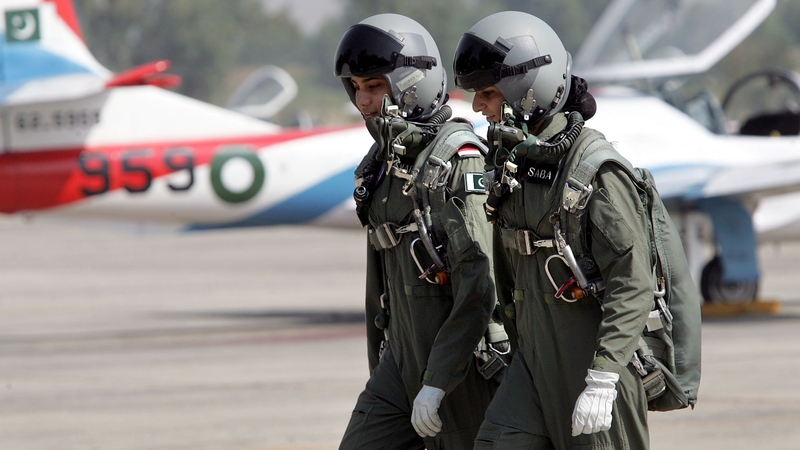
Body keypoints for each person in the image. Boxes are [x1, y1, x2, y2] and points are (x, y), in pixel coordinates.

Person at [453, 11, 653, 450]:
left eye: (487, 92)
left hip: (594, 363)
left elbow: (632, 280)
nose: (476, 107)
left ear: (529, 89)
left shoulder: (595, 171)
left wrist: (603, 376)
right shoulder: (514, 166)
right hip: (532, 360)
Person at [333, 13, 508, 450]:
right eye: (356, 87)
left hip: (462, 363)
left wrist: (438, 379)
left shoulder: (457, 158)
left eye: (374, 85)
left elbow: (479, 283)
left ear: (413, 82)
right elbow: (382, 277)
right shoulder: (382, 164)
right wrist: (383, 362)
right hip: (402, 361)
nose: (364, 100)